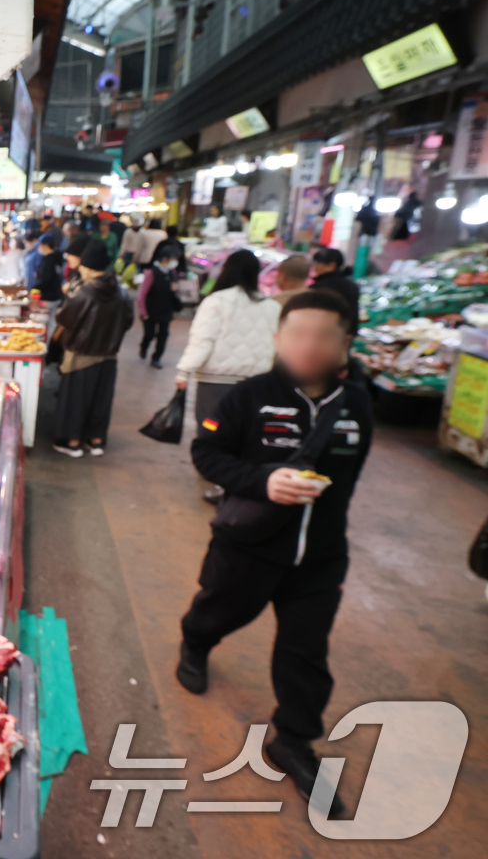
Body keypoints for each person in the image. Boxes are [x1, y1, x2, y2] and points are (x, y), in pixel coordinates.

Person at [176, 292, 372, 819]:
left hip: (321, 557)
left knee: (306, 652)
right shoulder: (248, 397)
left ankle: (293, 741)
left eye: (323, 335)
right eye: (298, 333)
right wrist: (264, 480)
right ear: (278, 338)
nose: (309, 345)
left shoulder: (356, 405)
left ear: (344, 344)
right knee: (220, 608)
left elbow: (349, 480)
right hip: (249, 548)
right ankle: (195, 644)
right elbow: (207, 453)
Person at [174, 250, 282, 501]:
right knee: (248, 434)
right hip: (257, 383)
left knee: (215, 434)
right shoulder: (271, 306)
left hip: (216, 382)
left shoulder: (216, 301)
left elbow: (202, 341)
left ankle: (222, 483)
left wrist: (184, 371)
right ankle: (240, 484)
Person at [51, 239, 134, 457]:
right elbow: (128, 321)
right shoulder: (121, 291)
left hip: (82, 354)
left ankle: (72, 442)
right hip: (109, 355)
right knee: (101, 399)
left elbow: (64, 318)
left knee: (76, 399)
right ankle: (96, 441)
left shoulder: (86, 291)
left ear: (87, 267)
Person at [137, 239, 184, 369]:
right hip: (151, 311)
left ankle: (156, 358)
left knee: (163, 336)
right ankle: (144, 346)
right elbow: (141, 295)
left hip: (166, 310)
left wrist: (175, 289)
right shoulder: (151, 273)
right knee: (150, 334)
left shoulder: (172, 273)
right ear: (164, 259)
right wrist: (142, 312)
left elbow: (175, 290)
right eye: (173, 259)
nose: (175, 263)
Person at [309, 247, 359, 315]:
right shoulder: (352, 285)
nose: (314, 266)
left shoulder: (320, 287)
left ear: (332, 265)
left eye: (317, 262)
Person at [32, 233, 65, 304]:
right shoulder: (59, 257)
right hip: (58, 296)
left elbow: (45, 279)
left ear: (46, 245)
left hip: (49, 297)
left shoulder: (48, 261)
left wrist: (34, 289)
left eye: (39, 245)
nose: (38, 248)